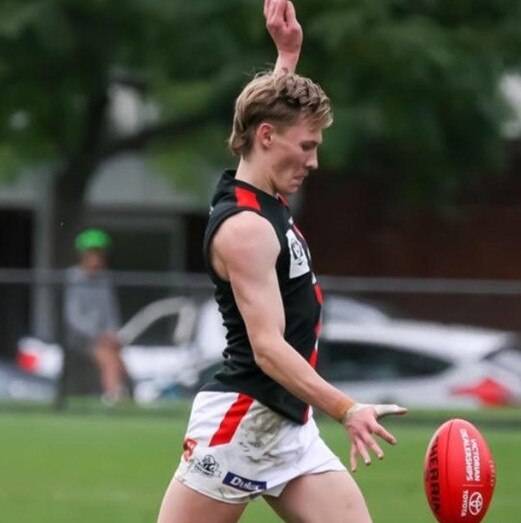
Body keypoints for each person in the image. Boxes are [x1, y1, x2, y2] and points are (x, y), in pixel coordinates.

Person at [157, 2, 407, 522]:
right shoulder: (245, 230)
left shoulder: (261, 188)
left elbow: (264, 119)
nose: (314, 161)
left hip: (288, 426)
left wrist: (286, 57)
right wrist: (349, 408)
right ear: (269, 139)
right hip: (241, 422)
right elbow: (268, 349)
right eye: (308, 146)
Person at [63, 228, 129, 404]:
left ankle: (123, 395)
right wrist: (97, 335)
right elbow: (73, 317)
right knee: (108, 358)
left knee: (118, 358)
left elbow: (110, 312)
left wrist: (113, 333)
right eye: (92, 254)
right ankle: (112, 396)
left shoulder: (104, 279)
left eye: (99, 254)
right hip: (80, 338)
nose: (96, 259)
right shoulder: (73, 278)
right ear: (83, 255)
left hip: (104, 338)